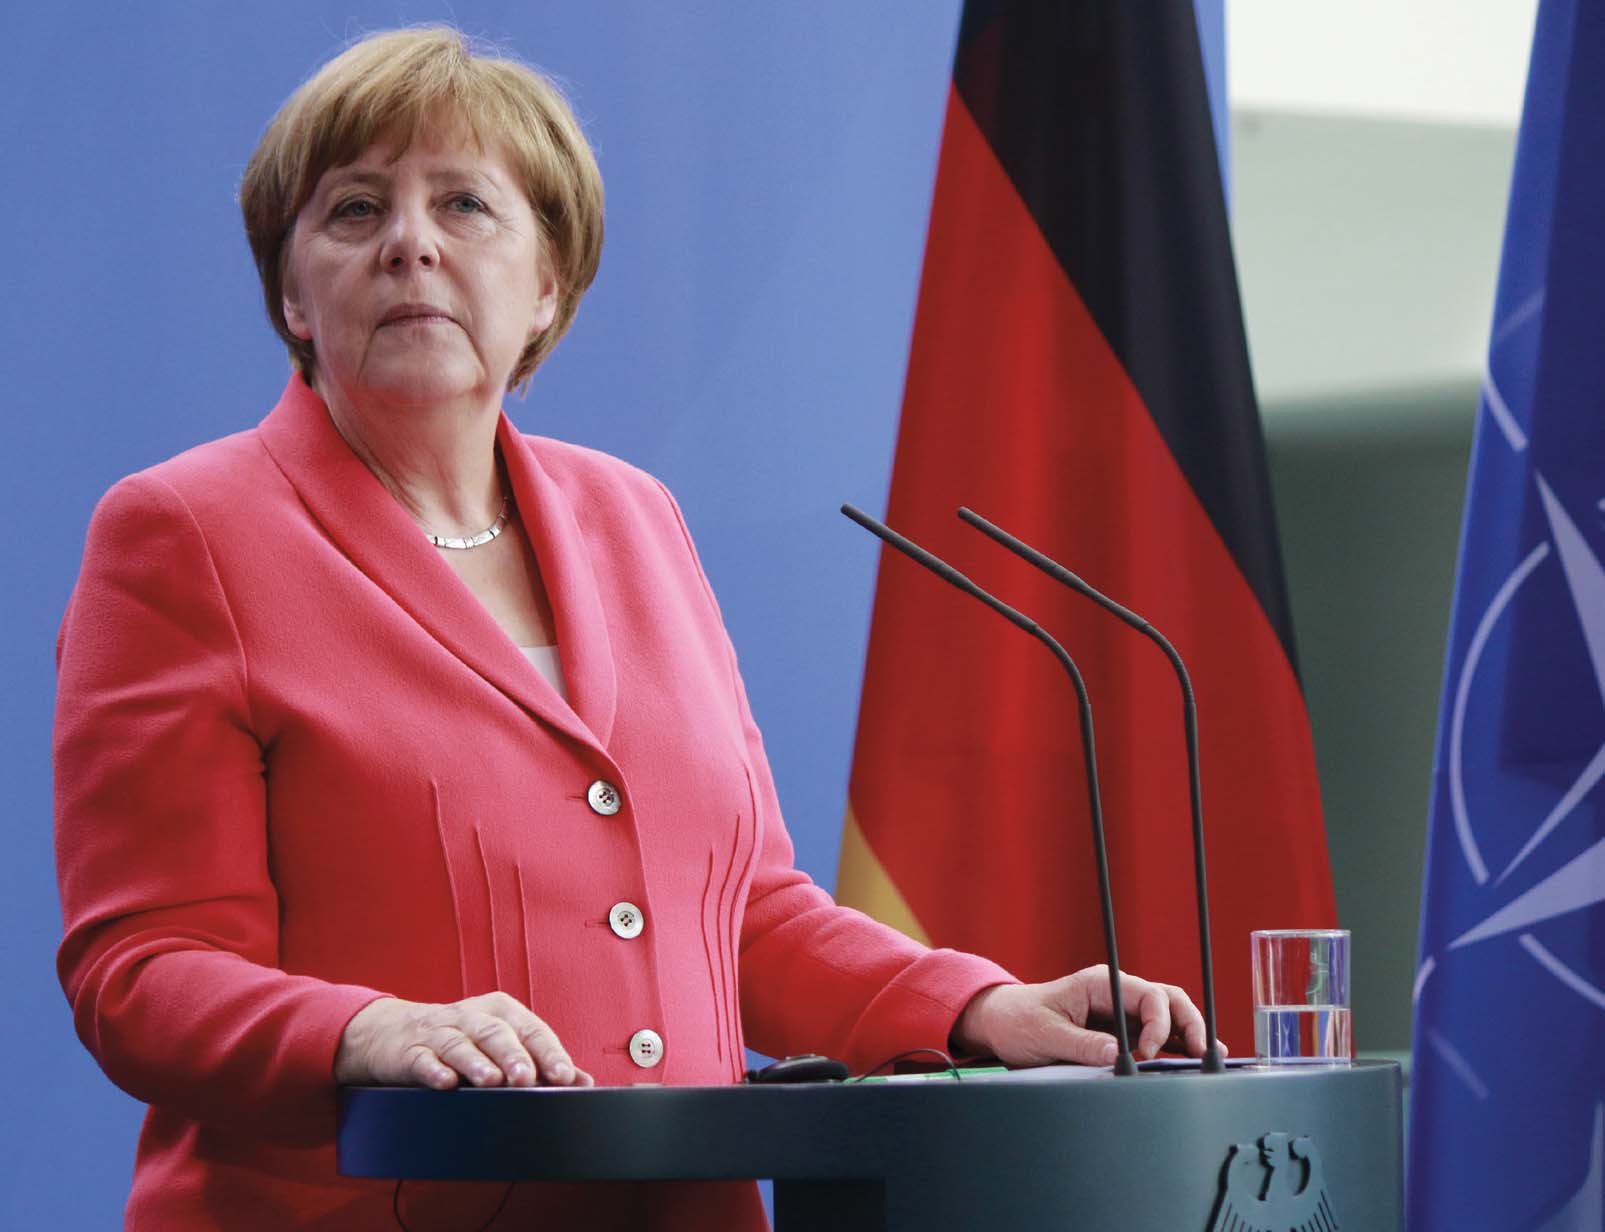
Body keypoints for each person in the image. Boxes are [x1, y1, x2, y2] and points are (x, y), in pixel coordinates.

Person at [53, 26, 1217, 1231]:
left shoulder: (634, 517)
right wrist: (368, 1028)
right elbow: (140, 970)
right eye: (354, 211)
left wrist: (977, 1009)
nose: (411, 241)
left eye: (465, 204)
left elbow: (748, 918)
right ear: (292, 292)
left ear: (549, 282)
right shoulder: (185, 533)